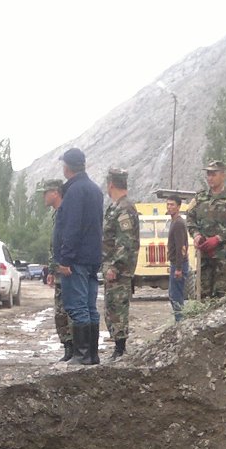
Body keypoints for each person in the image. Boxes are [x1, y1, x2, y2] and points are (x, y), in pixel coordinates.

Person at [52, 146, 104, 365]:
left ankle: (82, 355)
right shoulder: (95, 189)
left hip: (76, 260)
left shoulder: (74, 191)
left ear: (67, 167)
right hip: (92, 258)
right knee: (90, 307)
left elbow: (72, 227)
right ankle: (92, 355)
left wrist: (65, 259)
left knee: (76, 305)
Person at [186, 161, 226, 302]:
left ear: (223, 176)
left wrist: (218, 238)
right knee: (202, 296)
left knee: (221, 297)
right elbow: (190, 219)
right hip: (204, 256)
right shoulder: (200, 197)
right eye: (208, 174)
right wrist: (196, 235)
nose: (210, 178)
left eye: (213, 174)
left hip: (223, 257)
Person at [100, 168, 141, 359]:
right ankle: (118, 347)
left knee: (118, 309)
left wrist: (115, 266)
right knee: (111, 308)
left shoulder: (124, 208)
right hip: (112, 268)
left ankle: (120, 349)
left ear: (111, 184)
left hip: (119, 270)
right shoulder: (115, 207)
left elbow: (125, 241)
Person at [42, 181, 73, 358]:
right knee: (60, 312)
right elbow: (53, 246)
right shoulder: (57, 215)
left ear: (55, 193)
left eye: (46, 192)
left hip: (67, 270)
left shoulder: (66, 213)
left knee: (69, 309)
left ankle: (75, 347)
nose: (43, 197)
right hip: (58, 270)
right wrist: (52, 271)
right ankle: (67, 347)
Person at [164, 193, 192, 321]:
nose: (169, 207)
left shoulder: (179, 223)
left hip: (179, 264)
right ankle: (179, 321)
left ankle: (180, 323)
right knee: (173, 295)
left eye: (172, 205)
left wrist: (179, 268)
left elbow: (181, 247)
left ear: (179, 206)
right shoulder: (174, 222)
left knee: (176, 296)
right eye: (168, 204)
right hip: (175, 264)